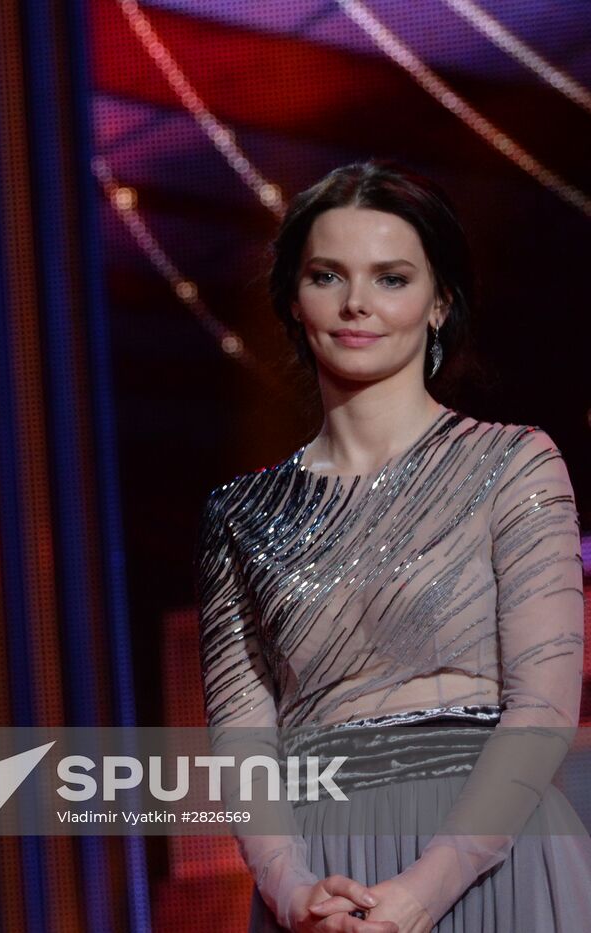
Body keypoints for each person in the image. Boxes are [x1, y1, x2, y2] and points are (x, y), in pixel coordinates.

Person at [197, 160, 589, 932]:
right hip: (321, 879)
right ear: (293, 300)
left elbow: (543, 707)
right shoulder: (241, 513)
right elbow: (241, 740)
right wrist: (290, 889)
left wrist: (423, 890)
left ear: (440, 301)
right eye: (327, 275)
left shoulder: (513, 462)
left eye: (392, 278)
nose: (357, 304)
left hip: (490, 860)